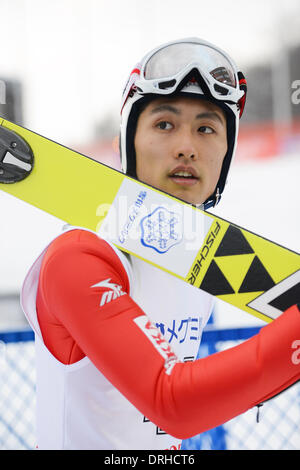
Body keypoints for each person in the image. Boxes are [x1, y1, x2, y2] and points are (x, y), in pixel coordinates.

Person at [21, 37, 300, 450]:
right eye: (164, 125)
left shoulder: (203, 256)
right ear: (128, 141)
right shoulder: (80, 255)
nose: (187, 147)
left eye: (207, 128)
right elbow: (173, 403)